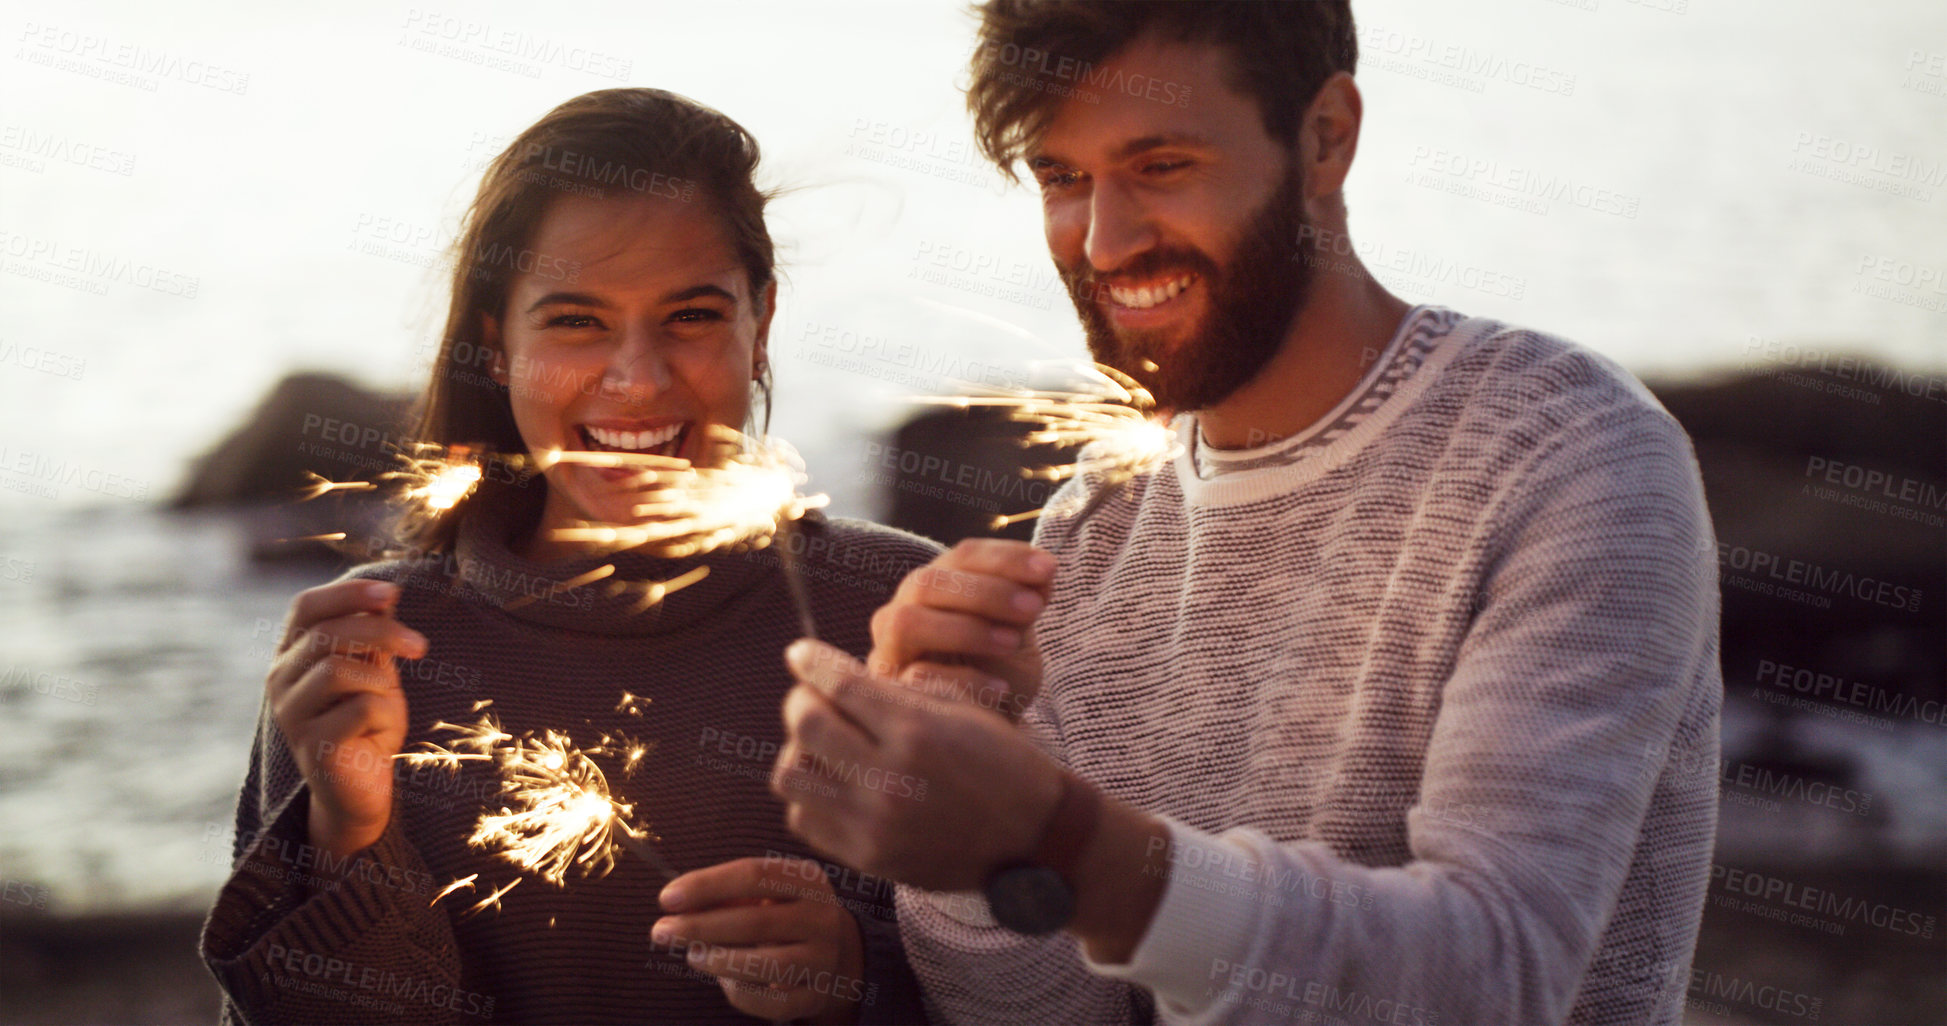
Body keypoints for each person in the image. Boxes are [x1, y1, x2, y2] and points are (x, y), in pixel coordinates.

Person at [772, 3, 1721, 1025]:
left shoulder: (1565, 454)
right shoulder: (1093, 530)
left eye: (1162, 165)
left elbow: (1495, 972)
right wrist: (961, 819)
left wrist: (1058, 838)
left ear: (1325, 138)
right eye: (1062, 177)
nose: (1105, 240)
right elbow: (1039, 1015)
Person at [200, 88, 938, 1025]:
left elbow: (1054, 986)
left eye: (692, 316)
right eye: (575, 321)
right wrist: (348, 837)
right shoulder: (371, 643)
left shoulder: (898, 614)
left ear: (763, 322)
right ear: (493, 346)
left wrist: (855, 978)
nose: (636, 379)